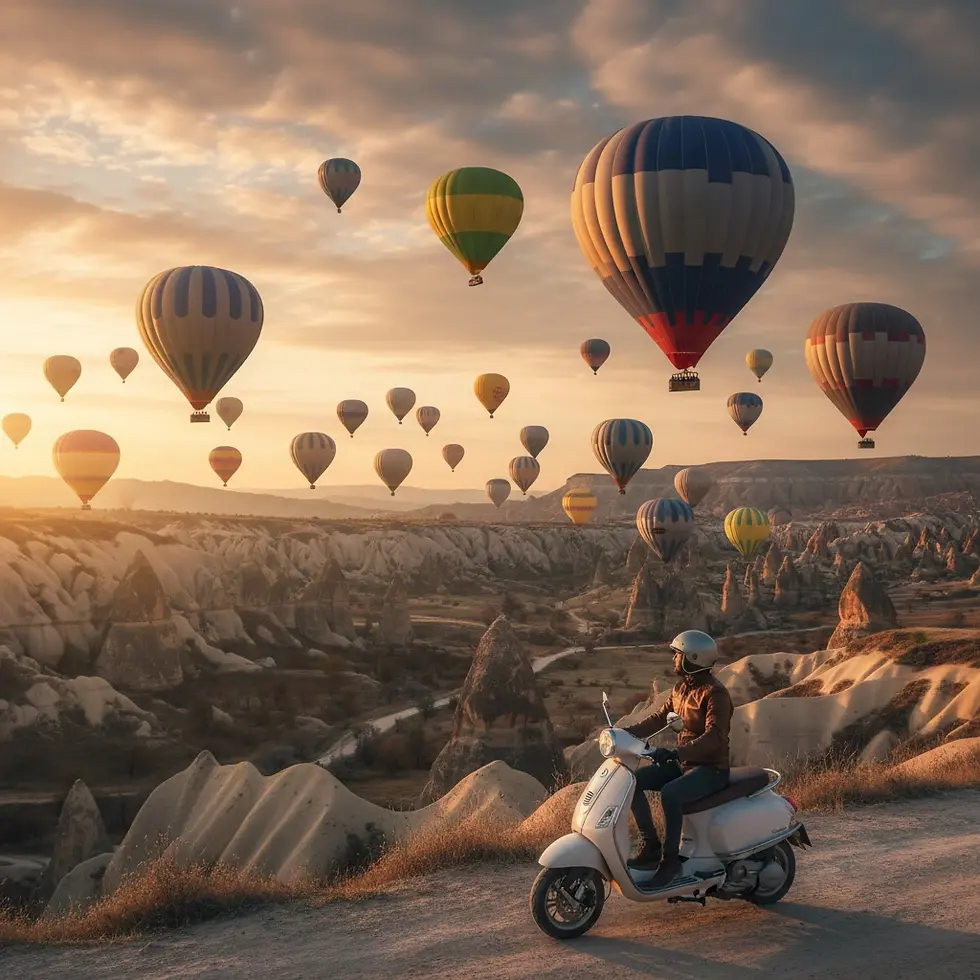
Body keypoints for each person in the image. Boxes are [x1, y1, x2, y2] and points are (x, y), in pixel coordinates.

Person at [621, 630, 734, 888]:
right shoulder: (682, 688)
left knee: (671, 793)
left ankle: (671, 861)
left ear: (692, 658)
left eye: (677, 655)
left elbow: (714, 737)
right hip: (685, 764)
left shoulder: (715, 694)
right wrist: (624, 733)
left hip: (711, 769)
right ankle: (650, 845)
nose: (673, 659)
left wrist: (677, 753)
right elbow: (659, 718)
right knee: (633, 782)